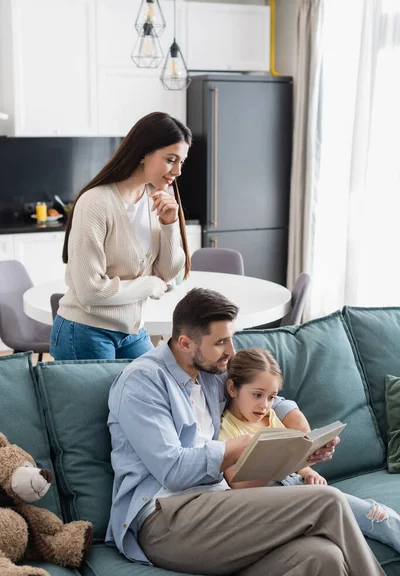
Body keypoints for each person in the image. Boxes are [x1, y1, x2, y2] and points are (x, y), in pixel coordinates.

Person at [106, 287, 384, 576]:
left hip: (218, 506)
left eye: (232, 338)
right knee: (329, 501)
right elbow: (173, 470)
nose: (231, 352)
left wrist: (305, 441)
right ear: (186, 343)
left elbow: (271, 396)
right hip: (164, 520)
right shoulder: (143, 383)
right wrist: (243, 446)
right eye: (221, 342)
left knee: (323, 557)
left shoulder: (211, 374)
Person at [220, 347, 400, 555]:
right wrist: (273, 465)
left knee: (374, 514)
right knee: (372, 515)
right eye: (257, 395)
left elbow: (294, 460)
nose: (264, 405)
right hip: (271, 500)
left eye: (271, 397)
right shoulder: (227, 430)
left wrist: (309, 472)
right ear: (232, 388)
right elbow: (237, 483)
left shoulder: (270, 418)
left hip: (297, 487)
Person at [50, 112, 191, 360]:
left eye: (182, 161)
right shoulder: (96, 202)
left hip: (132, 331)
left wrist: (169, 224)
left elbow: (169, 274)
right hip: (86, 330)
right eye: (171, 159)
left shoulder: (155, 200)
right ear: (143, 153)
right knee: (103, 401)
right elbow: (90, 291)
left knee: (157, 391)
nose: (178, 171)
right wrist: (149, 285)